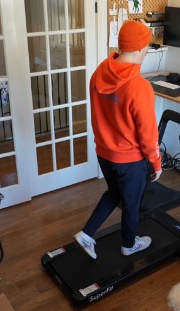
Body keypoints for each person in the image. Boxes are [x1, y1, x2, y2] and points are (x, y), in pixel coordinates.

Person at [74, 20, 162, 259]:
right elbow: (148, 134)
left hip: (104, 153)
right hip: (129, 159)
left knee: (114, 192)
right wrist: (156, 162)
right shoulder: (139, 87)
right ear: (142, 48)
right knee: (131, 204)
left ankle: (87, 234)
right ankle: (129, 244)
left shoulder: (100, 71)